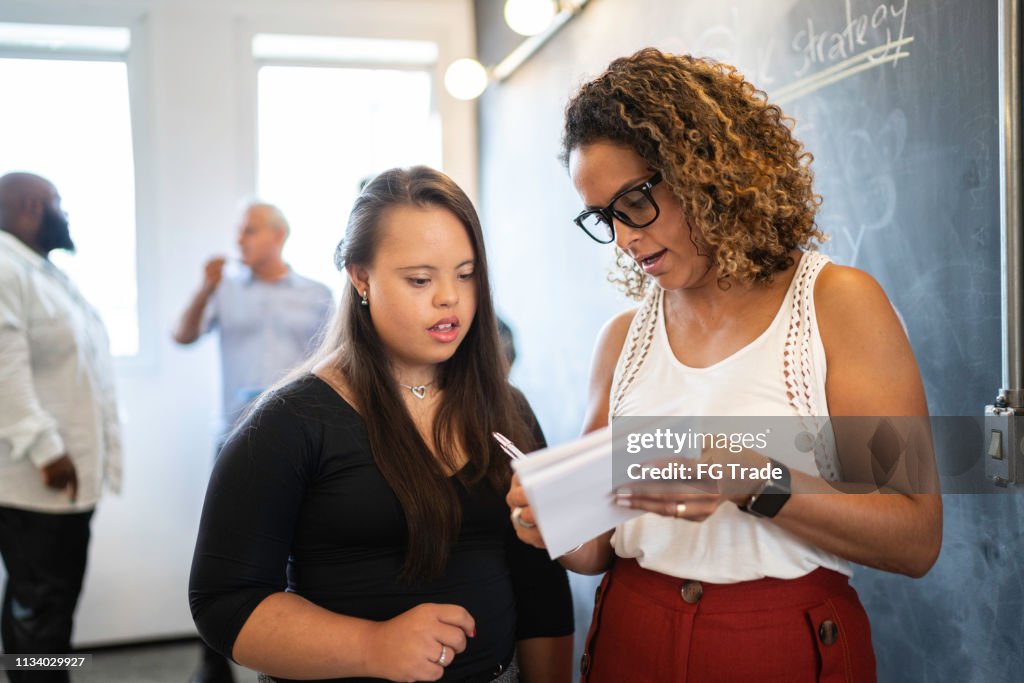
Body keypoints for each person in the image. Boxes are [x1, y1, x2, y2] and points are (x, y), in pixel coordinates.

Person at [506, 49, 942, 682]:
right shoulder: (622, 338)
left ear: (702, 170)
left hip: (782, 644)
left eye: (633, 202)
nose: (625, 238)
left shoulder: (838, 306)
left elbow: (914, 536)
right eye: (604, 218)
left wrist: (751, 478)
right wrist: (549, 520)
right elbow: (596, 548)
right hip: (629, 636)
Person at [189, 166, 574, 682]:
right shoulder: (288, 423)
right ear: (360, 276)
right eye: (420, 279)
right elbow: (224, 602)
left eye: (465, 274)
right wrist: (372, 645)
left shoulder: (508, 409)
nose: (449, 299)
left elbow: (540, 584)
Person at [0, 172, 122, 683]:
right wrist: (47, 450)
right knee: (40, 608)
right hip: (36, 480)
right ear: (33, 205)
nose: (65, 215)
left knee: (50, 604)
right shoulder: (5, 268)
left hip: (65, 479)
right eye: (59, 205)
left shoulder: (41, 271)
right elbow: (4, 369)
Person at [173, 201, 333, 439]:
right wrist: (204, 290)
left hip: (299, 430)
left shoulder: (317, 294)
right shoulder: (223, 289)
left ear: (278, 235)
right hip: (234, 431)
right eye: (238, 232)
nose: (239, 241)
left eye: (249, 231)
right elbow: (182, 337)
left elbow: (332, 359)